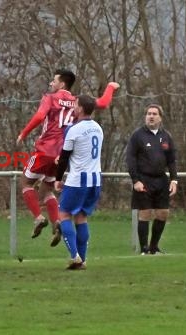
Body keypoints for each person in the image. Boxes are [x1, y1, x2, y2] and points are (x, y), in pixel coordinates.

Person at [17, 70, 118, 246]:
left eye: (53, 80)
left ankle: (39, 218)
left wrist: (24, 133)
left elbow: (40, 116)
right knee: (47, 190)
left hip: (45, 149)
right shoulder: (78, 101)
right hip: (61, 154)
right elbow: (103, 102)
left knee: (26, 183)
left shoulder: (50, 97)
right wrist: (110, 87)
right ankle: (56, 222)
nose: (51, 84)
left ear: (62, 84)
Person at [54, 94, 106, 270]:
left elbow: (64, 157)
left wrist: (58, 179)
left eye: (76, 105)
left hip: (78, 180)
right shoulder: (98, 128)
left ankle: (74, 256)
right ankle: (82, 261)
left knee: (64, 214)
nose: (73, 108)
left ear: (81, 108)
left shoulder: (73, 130)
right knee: (81, 217)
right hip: (95, 179)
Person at [126, 104, 178, 255]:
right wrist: (135, 180)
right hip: (144, 179)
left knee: (163, 213)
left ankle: (154, 247)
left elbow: (172, 160)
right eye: (149, 113)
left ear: (160, 117)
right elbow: (130, 159)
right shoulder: (137, 135)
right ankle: (144, 249)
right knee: (145, 213)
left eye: (154, 114)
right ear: (145, 116)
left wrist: (174, 180)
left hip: (161, 180)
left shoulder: (166, 136)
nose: (151, 116)